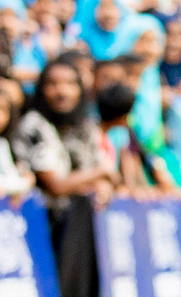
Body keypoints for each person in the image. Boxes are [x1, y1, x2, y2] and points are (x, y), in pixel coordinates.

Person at [9, 58, 115, 213]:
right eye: (52, 84)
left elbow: (105, 179)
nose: (62, 92)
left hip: (81, 220)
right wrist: (101, 173)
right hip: (44, 221)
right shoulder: (33, 125)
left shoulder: (85, 126)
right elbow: (56, 185)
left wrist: (103, 186)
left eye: (71, 84)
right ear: (41, 89)